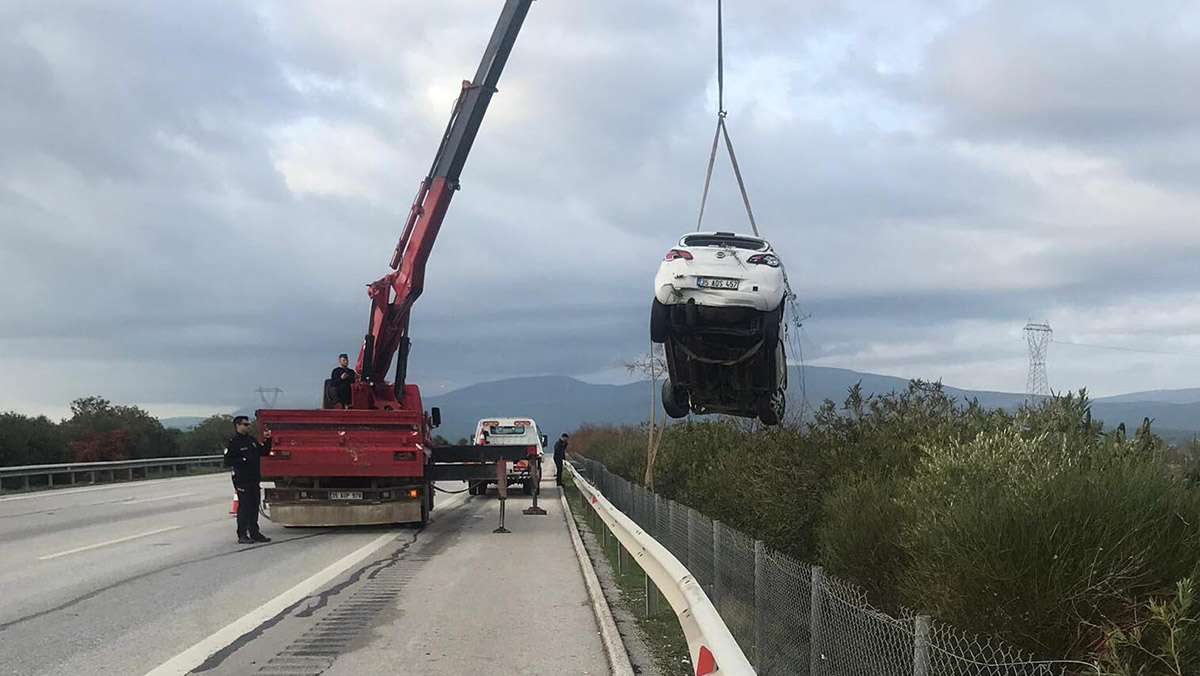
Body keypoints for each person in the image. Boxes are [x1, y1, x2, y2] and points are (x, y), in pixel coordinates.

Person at [223, 416, 273, 544]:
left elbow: (264, 452)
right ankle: (242, 534)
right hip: (242, 479)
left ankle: (255, 533)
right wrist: (243, 461)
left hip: (254, 479)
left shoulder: (251, 440)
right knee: (244, 508)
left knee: (254, 506)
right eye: (245, 424)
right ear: (237, 426)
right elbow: (228, 460)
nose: (247, 426)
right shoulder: (234, 442)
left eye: (248, 424)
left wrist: (268, 439)